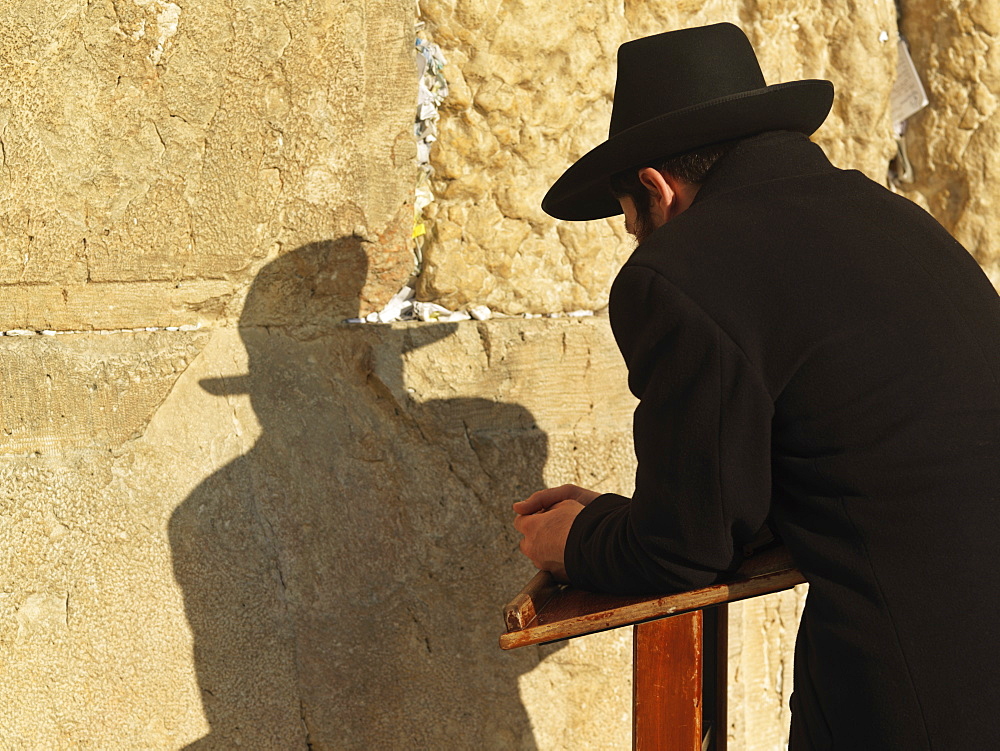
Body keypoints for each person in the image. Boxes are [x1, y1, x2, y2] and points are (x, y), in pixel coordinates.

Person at [512, 22, 1000, 749]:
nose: (638, 240)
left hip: (915, 692)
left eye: (630, 221)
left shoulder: (679, 272)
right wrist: (619, 515)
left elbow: (683, 548)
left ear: (656, 187)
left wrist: (574, 538)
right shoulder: (893, 220)